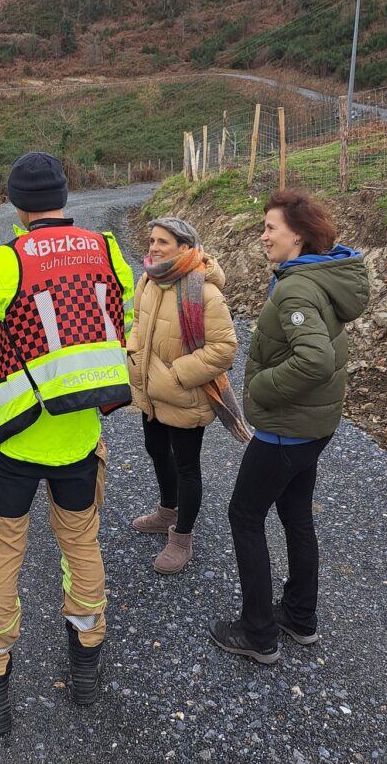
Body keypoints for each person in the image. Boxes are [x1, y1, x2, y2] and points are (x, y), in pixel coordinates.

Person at [0, 152, 135, 734]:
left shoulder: (3, 263)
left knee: (2, 558)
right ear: (64, 197)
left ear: (16, 205)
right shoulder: (106, 250)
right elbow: (122, 321)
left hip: (14, 442)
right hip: (81, 434)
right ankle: (85, 670)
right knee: (82, 545)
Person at [208, 189, 368, 664]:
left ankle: (258, 633)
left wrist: (259, 391)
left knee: (244, 515)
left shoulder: (297, 287)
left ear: (297, 234)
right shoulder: (318, 276)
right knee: (295, 514)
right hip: (313, 428)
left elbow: (315, 360)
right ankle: (300, 616)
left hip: (285, 432)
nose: (263, 236)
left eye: (270, 228)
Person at [127, 217, 248, 574]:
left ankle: (181, 536)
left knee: (187, 467)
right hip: (150, 391)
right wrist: (134, 357)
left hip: (184, 396)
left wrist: (176, 376)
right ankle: (167, 509)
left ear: (185, 247)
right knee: (155, 450)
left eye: (163, 242)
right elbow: (136, 323)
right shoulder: (148, 279)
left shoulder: (204, 291)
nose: (153, 247)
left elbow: (224, 348)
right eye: (152, 240)